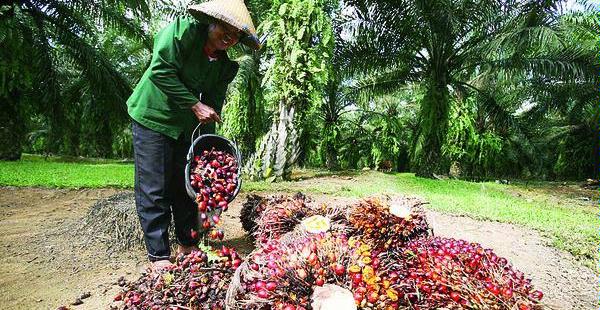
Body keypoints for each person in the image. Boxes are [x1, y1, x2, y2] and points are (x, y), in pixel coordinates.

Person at [126, 0, 261, 271]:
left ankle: (187, 243)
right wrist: (194, 105)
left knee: (188, 185)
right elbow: (159, 71)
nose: (230, 38)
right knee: (155, 187)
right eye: (226, 28)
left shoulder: (224, 66)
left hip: (187, 127)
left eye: (236, 35)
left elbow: (212, 106)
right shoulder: (182, 32)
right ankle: (159, 254)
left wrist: (209, 150)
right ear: (211, 22)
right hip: (153, 116)